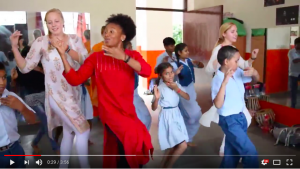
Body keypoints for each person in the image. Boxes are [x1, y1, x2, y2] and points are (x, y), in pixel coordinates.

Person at [53, 14, 153, 168]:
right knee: (130, 140)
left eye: (111, 31)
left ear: (123, 36)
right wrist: (63, 56)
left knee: (127, 147)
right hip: (110, 112)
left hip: (128, 111)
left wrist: (124, 58)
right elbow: (75, 79)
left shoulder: (132, 56)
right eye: (105, 31)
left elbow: (146, 71)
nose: (106, 34)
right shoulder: (96, 58)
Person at [9, 8, 90, 168]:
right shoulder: (41, 42)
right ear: (46, 24)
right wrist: (14, 48)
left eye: (56, 21)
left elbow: (84, 61)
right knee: (83, 130)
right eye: (49, 22)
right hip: (56, 95)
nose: (54, 25)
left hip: (74, 93)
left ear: (63, 21)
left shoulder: (74, 39)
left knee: (68, 132)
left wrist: (65, 49)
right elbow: (25, 67)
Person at [199, 22, 258, 156]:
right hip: (225, 87)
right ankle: (229, 149)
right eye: (232, 31)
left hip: (235, 87)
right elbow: (208, 69)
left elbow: (243, 64)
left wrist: (253, 57)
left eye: (236, 31)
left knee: (245, 120)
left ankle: (229, 148)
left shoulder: (233, 48)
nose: (236, 34)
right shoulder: (219, 49)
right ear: (224, 33)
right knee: (236, 121)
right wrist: (221, 60)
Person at [212, 46, 259, 168]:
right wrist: (225, 82)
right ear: (226, 62)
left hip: (240, 117)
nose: (239, 63)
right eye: (236, 60)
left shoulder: (236, 72)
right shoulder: (217, 79)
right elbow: (217, 104)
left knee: (231, 155)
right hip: (230, 121)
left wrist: (255, 73)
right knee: (251, 153)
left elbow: (255, 81)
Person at [151, 62, 189, 168]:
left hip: (176, 114)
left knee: (172, 144)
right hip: (167, 116)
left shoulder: (176, 85)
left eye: (171, 72)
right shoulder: (160, 88)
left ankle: (162, 166)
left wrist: (177, 89)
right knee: (182, 145)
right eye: (167, 73)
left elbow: (187, 97)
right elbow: (153, 108)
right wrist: (157, 98)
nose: (170, 75)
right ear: (161, 76)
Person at [0, 62, 36, 168]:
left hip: (16, 150)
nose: (2, 82)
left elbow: (32, 120)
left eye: (3, 77)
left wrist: (22, 107)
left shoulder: (11, 97)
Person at [170, 43, 204, 146]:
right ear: (179, 53)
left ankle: (186, 138)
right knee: (193, 115)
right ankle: (183, 138)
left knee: (191, 115)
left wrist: (198, 63)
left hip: (190, 89)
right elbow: (169, 78)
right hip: (182, 90)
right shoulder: (174, 65)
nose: (188, 52)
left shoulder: (189, 61)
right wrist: (175, 73)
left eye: (188, 50)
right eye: (185, 51)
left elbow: (201, 66)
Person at [125, 41, 152, 130]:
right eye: (129, 48)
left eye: (131, 47)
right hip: (128, 95)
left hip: (135, 93)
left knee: (146, 118)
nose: (131, 50)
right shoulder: (122, 61)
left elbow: (146, 71)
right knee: (141, 120)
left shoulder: (133, 59)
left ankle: (142, 140)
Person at [288, 37, 300, 108]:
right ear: (296, 44)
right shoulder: (291, 52)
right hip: (293, 74)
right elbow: (295, 61)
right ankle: (293, 105)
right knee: (293, 90)